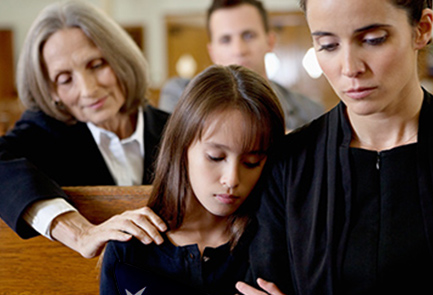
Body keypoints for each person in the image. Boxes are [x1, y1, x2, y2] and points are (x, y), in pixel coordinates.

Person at [237, 0, 433, 294]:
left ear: (421, 29)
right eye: (328, 45)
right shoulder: (289, 162)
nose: (350, 68)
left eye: (373, 40)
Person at [0, 0, 168, 259]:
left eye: (97, 65)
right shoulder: (44, 132)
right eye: (65, 79)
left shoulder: (176, 128)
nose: (88, 90)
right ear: (52, 92)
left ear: (120, 59)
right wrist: (80, 233)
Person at [100, 64, 286, 295]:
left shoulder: (273, 244)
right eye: (215, 157)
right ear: (181, 147)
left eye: (251, 162)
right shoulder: (130, 248)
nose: (232, 179)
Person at [158, 0, 324, 131]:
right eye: (225, 40)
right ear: (212, 51)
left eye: (248, 36)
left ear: (270, 41)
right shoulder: (180, 95)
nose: (238, 50)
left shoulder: (311, 113)